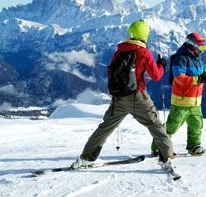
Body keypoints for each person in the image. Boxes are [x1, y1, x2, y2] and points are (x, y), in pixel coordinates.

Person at [71, 20, 174, 169]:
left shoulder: (120, 50)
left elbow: (109, 71)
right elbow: (156, 76)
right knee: (155, 125)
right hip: (137, 97)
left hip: (118, 97)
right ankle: (166, 158)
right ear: (144, 35)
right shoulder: (143, 52)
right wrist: (162, 65)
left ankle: (87, 157)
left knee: (105, 127)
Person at [151, 32, 206, 156]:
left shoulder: (198, 59)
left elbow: (204, 70)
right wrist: (199, 79)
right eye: (200, 47)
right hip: (182, 100)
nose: (202, 50)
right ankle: (158, 147)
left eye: (203, 47)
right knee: (172, 125)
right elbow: (179, 78)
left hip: (196, 101)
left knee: (196, 125)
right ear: (192, 45)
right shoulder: (181, 59)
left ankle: (194, 146)